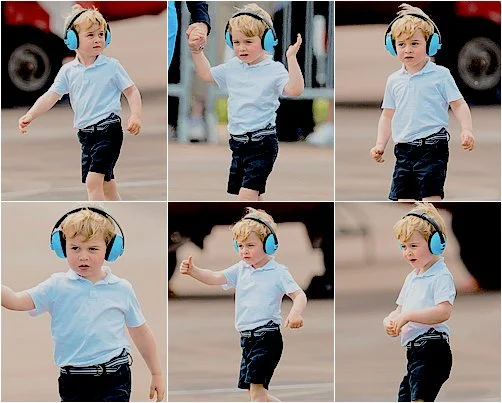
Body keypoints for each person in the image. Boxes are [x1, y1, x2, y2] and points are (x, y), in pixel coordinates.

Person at [1, 206, 165, 402]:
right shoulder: (56, 286)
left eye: (93, 249)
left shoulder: (121, 288)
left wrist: (157, 373)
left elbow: (141, 332)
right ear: (62, 248)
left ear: (110, 250)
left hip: (115, 375)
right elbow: (16, 300)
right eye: (75, 248)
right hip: (74, 380)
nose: (83, 256)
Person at [179, 207, 307, 402]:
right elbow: (216, 277)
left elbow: (299, 295)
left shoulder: (278, 272)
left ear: (269, 244)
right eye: (240, 246)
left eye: (250, 245)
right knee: (256, 393)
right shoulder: (241, 269)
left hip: (267, 338)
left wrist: (295, 313)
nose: (244, 251)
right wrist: (194, 271)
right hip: (247, 340)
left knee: (256, 393)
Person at [17, 5, 142, 201]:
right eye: (90, 35)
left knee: (93, 182)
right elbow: (51, 96)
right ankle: (120, 213)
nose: (97, 39)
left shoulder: (112, 66)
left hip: (108, 130)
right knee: (107, 184)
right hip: (85, 136)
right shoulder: (68, 71)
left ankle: (99, 219)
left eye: (101, 34)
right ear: (73, 40)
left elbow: (131, 91)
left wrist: (135, 114)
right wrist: (31, 114)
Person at [188, 3, 305, 201]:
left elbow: (295, 90)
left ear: (267, 41)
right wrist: (197, 52)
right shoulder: (233, 66)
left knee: (245, 197)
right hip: (238, 145)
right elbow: (207, 74)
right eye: (236, 42)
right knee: (253, 197)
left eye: (248, 42)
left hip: (262, 143)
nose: (241, 48)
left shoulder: (273, 69)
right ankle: (259, 219)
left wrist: (291, 59)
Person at [369, 3, 475, 201]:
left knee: (430, 199)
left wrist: (466, 129)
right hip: (403, 151)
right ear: (392, 47)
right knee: (403, 200)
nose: (407, 50)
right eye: (401, 45)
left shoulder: (441, 75)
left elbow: (458, 104)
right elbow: (387, 115)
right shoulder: (394, 80)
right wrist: (380, 144)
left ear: (430, 44)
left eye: (414, 44)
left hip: (433, 148)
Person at [383, 201, 455, 402]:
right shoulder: (412, 277)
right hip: (414, 352)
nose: (408, 252)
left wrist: (408, 316)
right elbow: (400, 309)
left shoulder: (441, 276)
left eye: (414, 246)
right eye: (403, 246)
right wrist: (390, 320)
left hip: (432, 348)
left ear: (435, 243)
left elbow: (443, 312)